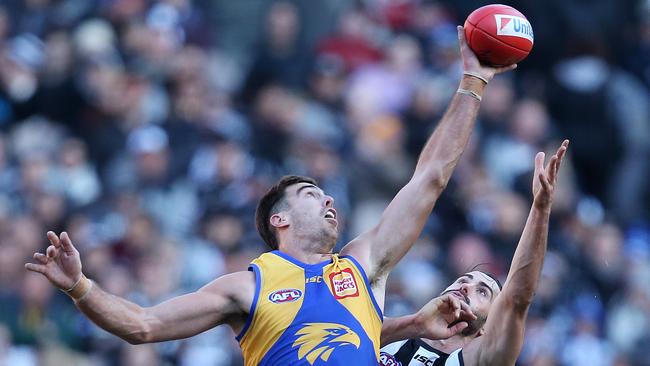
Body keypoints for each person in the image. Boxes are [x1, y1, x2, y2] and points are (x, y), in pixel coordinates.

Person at [24, 26, 515, 365]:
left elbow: (429, 178)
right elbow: (144, 325)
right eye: (310, 193)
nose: (328, 201)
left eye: (326, 194)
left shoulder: (360, 267)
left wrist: (472, 81)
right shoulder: (246, 287)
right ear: (279, 220)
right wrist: (79, 287)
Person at [379, 140, 569, 366]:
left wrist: (540, 210)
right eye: (463, 280)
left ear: (487, 327)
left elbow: (517, 298)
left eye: (482, 292)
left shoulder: (479, 359)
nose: (465, 287)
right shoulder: (391, 337)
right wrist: (414, 324)